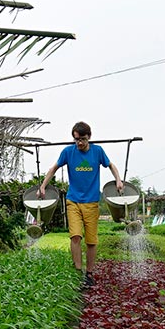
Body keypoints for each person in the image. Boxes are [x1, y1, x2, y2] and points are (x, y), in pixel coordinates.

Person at [39, 121, 123, 287]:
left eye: (82, 139)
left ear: (89, 137)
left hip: (91, 203)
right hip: (73, 201)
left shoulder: (97, 151)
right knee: (75, 236)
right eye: (76, 139)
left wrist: (118, 180)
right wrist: (42, 185)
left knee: (91, 241)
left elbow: (111, 165)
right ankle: (77, 272)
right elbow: (53, 168)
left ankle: (89, 274)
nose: (79, 143)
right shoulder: (68, 152)